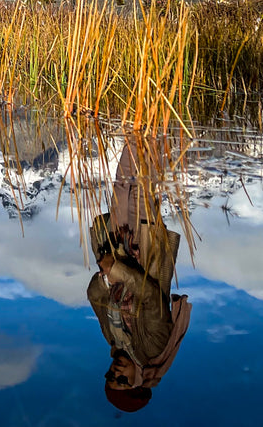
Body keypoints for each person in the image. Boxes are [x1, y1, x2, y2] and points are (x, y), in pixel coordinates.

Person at [86, 143, 192, 414]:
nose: (115, 373)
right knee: (142, 189)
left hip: (117, 242)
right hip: (146, 247)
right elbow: (152, 296)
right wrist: (116, 272)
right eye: (123, 381)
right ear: (138, 382)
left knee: (122, 185)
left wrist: (107, 277)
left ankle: (136, 126)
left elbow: (95, 297)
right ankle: (152, 125)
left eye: (110, 378)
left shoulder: (113, 341)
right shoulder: (154, 348)